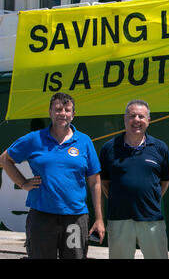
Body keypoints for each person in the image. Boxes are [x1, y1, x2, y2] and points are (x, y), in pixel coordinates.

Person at [0, 92, 105, 259]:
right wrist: (22, 183)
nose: (62, 113)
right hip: (42, 216)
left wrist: (99, 219)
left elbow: (94, 182)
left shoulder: (84, 141)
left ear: (73, 114)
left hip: (76, 217)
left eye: (67, 109)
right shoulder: (35, 139)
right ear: (50, 112)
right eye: (57, 109)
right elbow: (5, 159)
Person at [100, 99, 169, 259]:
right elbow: (105, 183)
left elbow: (164, 181)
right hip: (119, 219)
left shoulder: (160, 148)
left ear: (148, 120)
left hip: (152, 219)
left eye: (141, 116)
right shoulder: (109, 148)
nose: (136, 120)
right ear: (125, 119)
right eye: (132, 116)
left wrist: (149, 199)